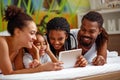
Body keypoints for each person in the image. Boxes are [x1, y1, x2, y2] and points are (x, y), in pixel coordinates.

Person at [0, 5, 62, 75]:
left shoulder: (18, 48)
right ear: (17, 32)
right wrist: (42, 68)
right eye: (32, 33)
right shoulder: (2, 42)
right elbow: (8, 72)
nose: (35, 38)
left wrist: (36, 57)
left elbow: (18, 71)